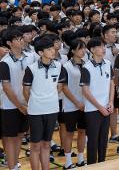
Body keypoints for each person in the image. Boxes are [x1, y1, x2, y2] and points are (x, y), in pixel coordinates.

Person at [23, 36, 68, 170]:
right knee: (35, 145)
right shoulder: (31, 69)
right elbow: (25, 91)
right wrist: (35, 102)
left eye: (52, 48)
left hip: (52, 109)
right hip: (36, 111)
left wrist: (50, 97)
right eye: (48, 49)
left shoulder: (59, 66)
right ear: (40, 53)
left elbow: (60, 86)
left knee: (47, 144)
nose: (53, 51)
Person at [0, 28, 35, 170]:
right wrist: (20, 106)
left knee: (20, 135)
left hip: (26, 103)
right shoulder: (4, 62)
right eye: (17, 39)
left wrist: (27, 102)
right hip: (9, 105)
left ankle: (14, 164)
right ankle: (12, 165)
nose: (21, 41)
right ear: (9, 43)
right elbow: (7, 88)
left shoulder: (30, 57)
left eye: (21, 38)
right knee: (10, 138)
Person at [80, 38, 114, 165]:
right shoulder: (86, 67)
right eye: (100, 46)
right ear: (92, 50)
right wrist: (100, 107)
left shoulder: (108, 63)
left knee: (103, 140)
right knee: (93, 141)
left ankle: (102, 164)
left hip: (107, 108)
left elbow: (111, 83)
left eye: (104, 46)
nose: (103, 48)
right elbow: (86, 91)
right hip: (93, 110)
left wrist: (110, 102)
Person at [60, 40, 88, 168]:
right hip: (71, 106)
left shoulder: (87, 65)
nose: (83, 51)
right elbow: (64, 88)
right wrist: (77, 103)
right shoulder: (66, 66)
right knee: (69, 132)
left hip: (85, 104)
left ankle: (81, 158)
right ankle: (68, 161)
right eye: (80, 48)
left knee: (82, 131)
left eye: (84, 48)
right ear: (73, 51)